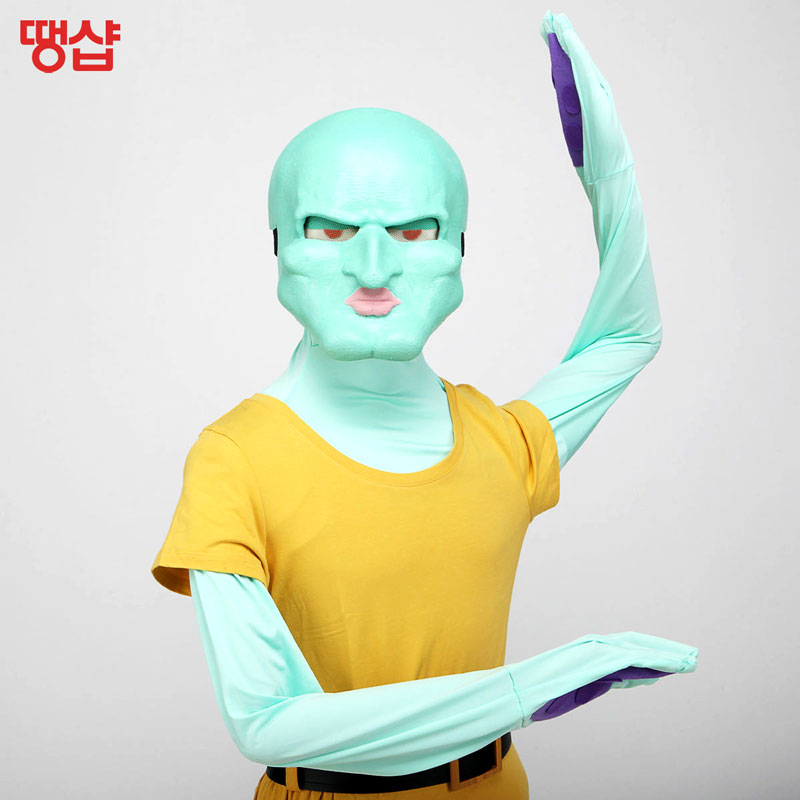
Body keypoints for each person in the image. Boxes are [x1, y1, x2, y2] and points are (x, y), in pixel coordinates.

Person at [151, 12, 697, 799]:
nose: (374, 269)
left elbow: (628, 336)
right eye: (330, 230)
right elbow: (265, 721)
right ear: (278, 247)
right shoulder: (235, 461)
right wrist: (526, 689)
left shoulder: (501, 444)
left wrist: (607, 174)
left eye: (414, 232)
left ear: (460, 251)